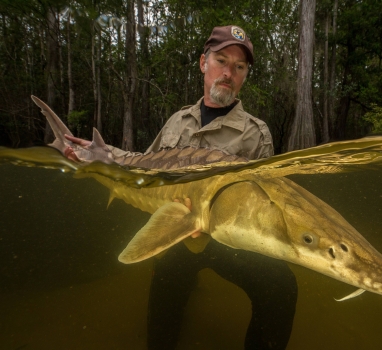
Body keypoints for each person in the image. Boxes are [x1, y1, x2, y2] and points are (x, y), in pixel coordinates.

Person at [65, 25, 298, 349]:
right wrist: (100, 153)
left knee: (282, 285)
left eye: (239, 66)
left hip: (225, 244)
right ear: (204, 63)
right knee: (164, 297)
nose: (228, 72)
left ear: (245, 75)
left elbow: (261, 205)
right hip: (176, 232)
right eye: (221, 60)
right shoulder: (176, 121)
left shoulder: (257, 133)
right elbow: (144, 165)